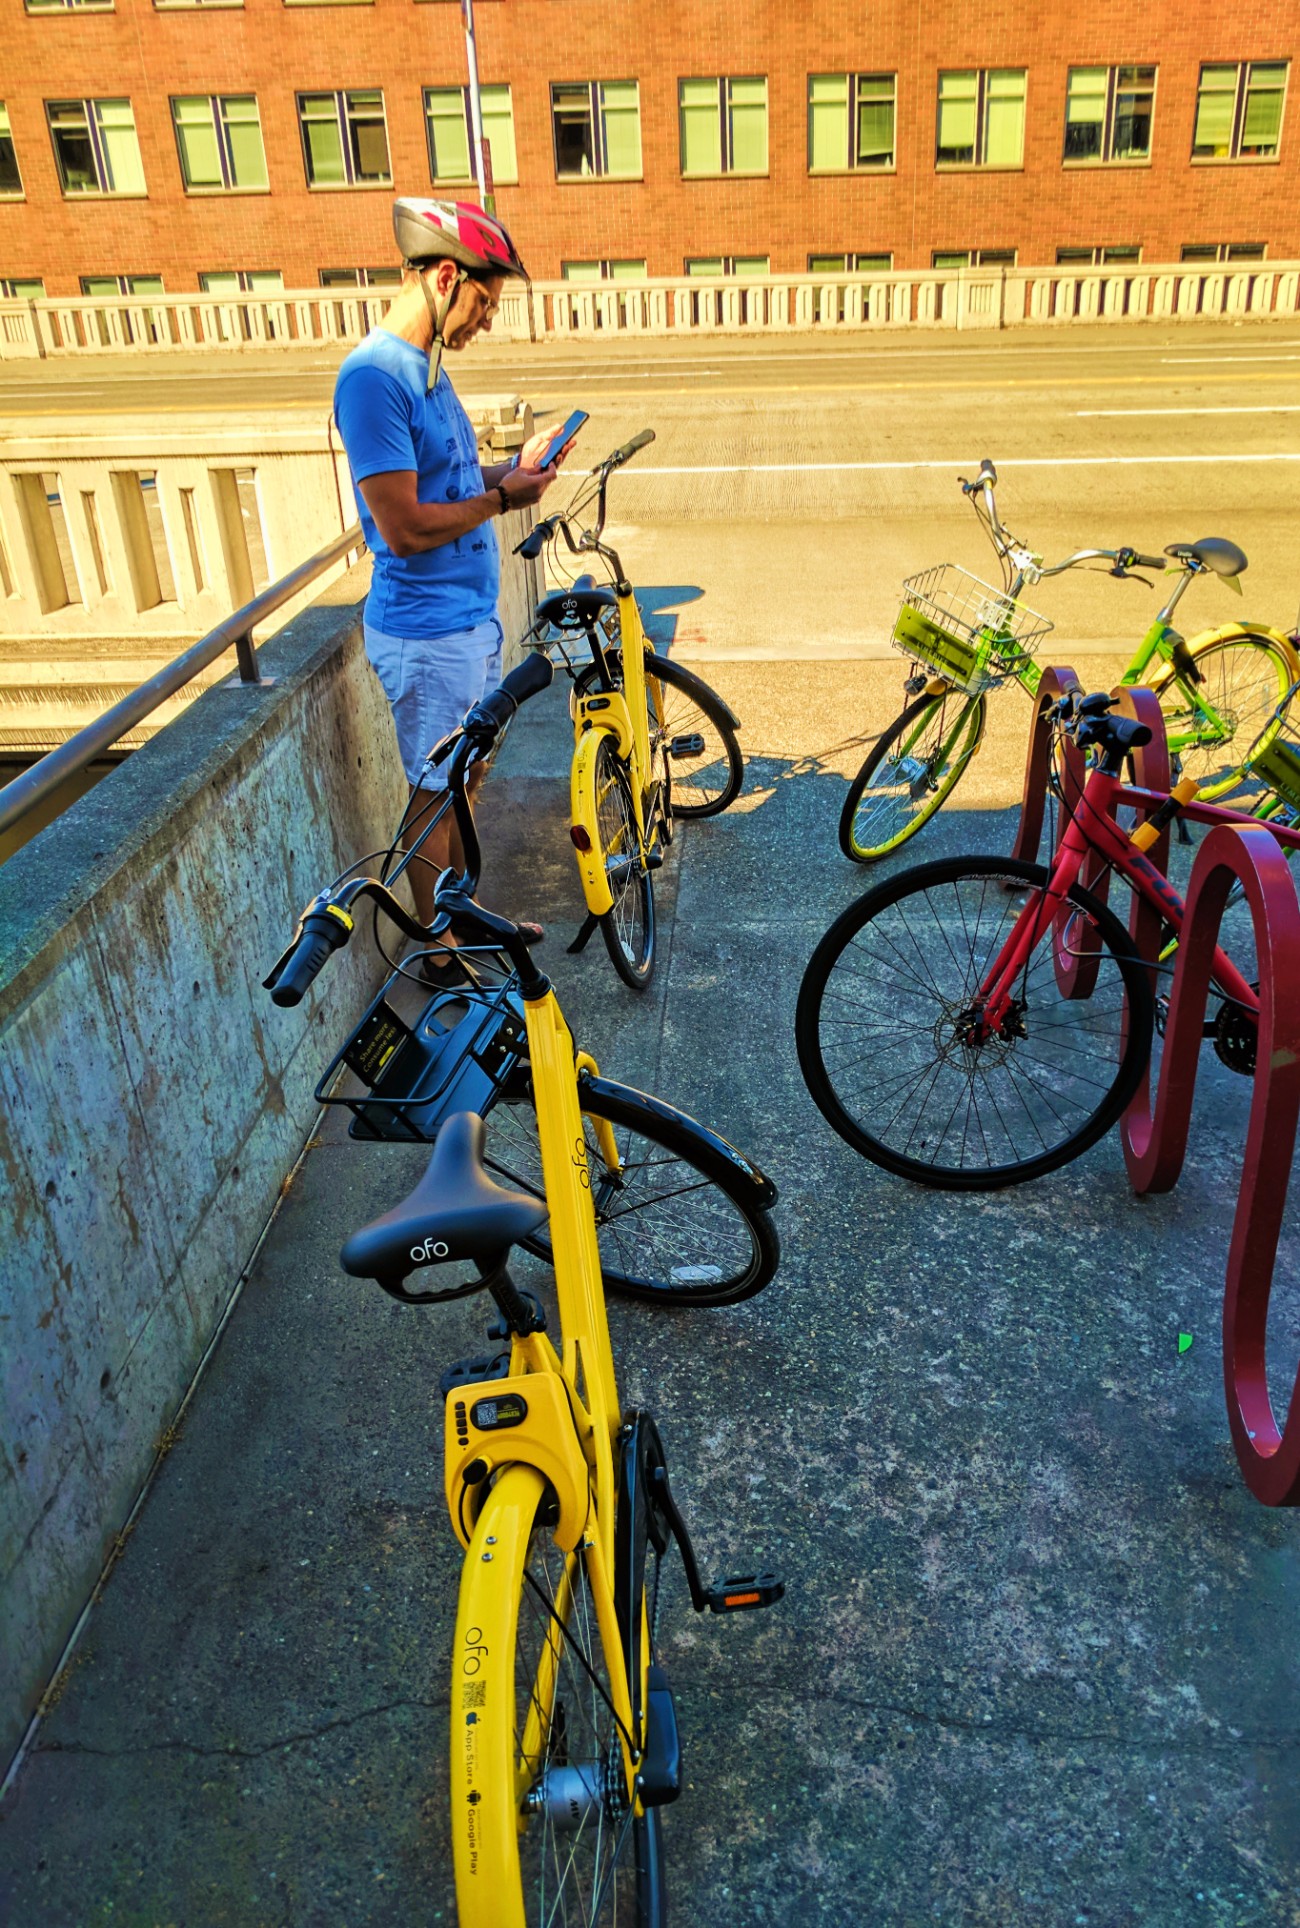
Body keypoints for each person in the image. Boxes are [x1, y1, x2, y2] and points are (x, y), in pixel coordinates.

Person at [333, 197, 570, 984]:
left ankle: (465, 916)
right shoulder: (374, 380)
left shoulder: (428, 373)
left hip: (464, 624)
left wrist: (515, 472)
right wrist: (502, 500)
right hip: (426, 633)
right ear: (444, 277)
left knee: (461, 783)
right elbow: (403, 527)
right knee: (435, 793)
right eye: (484, 303)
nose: (487, 321)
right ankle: (440, 950)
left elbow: (453, 482)